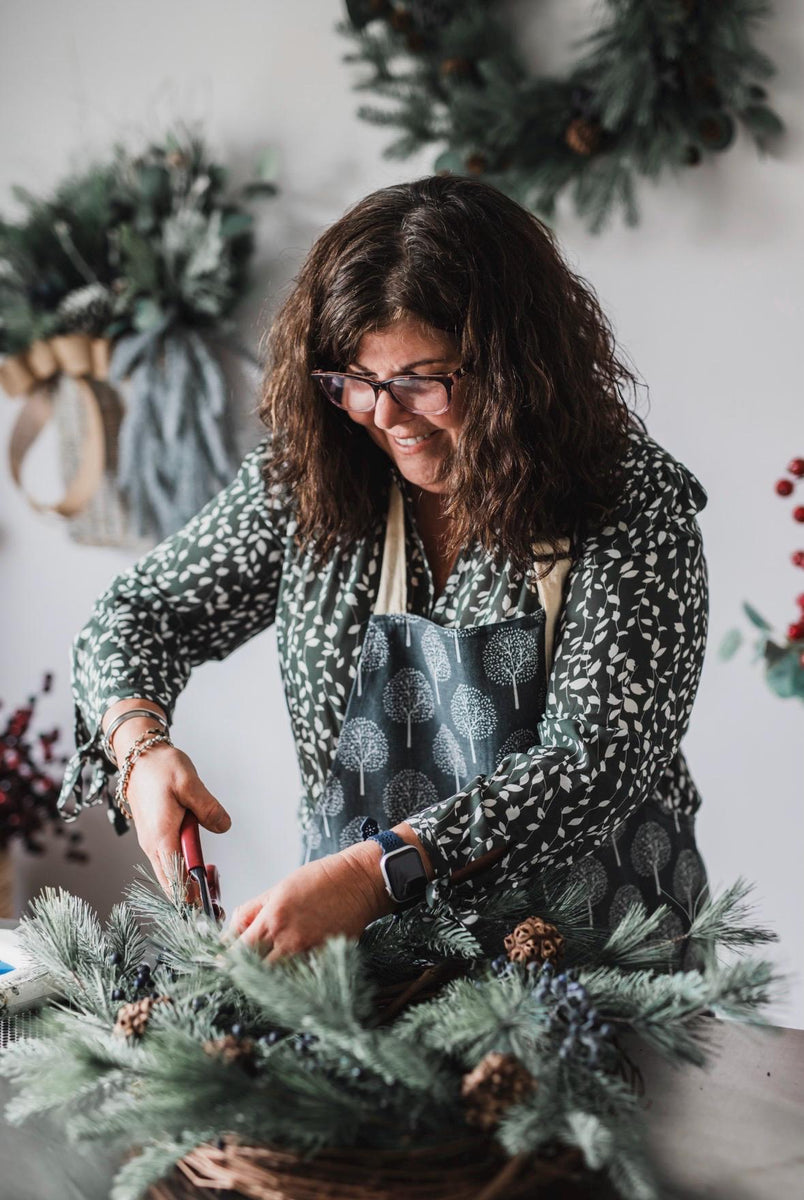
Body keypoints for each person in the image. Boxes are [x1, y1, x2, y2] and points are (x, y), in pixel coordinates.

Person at [58, 174, 711, 964]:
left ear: (516, 368)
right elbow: (141, 610)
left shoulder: (629, 500)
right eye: (355, 384)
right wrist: (139, 749)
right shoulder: (311, 481)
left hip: (597, 963)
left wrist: (379, 872)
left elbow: (594, 761)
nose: (385, 417)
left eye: (419, 381)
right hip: (364, 966)